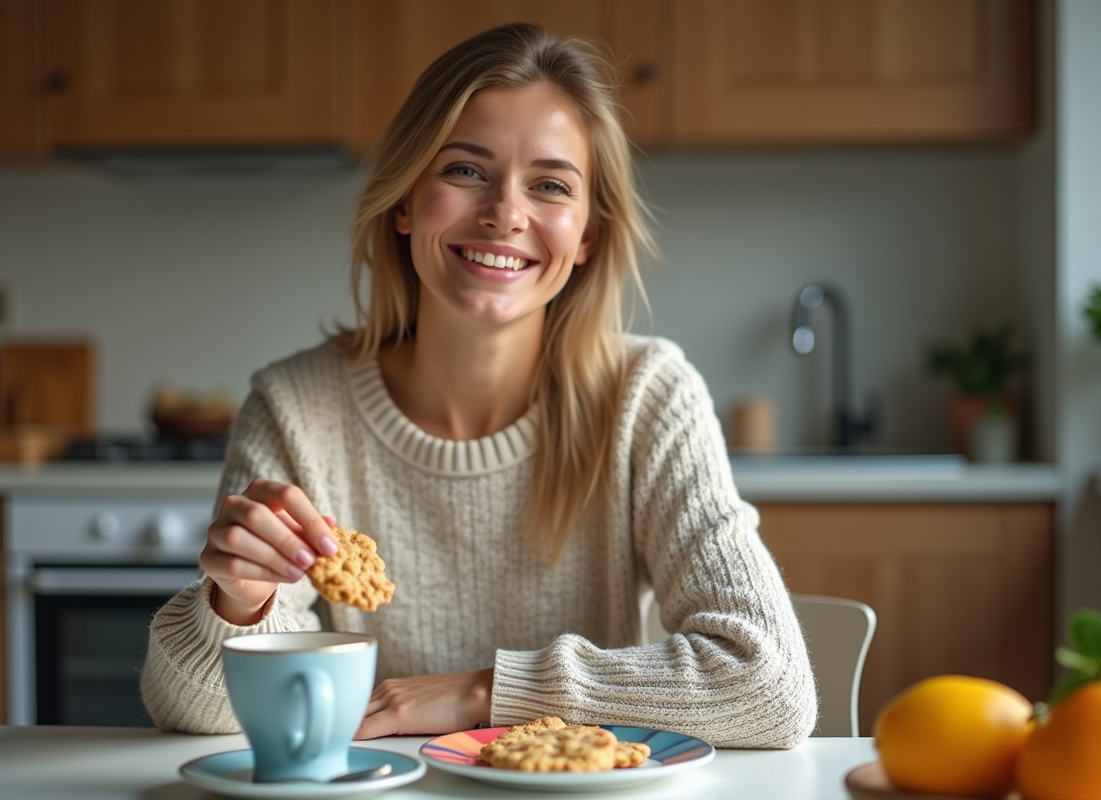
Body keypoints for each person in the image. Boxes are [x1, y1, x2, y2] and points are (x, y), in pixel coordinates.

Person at [140, 21, 817, 749]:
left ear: (587, 235)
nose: (505, 213)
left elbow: (769, 686)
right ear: (405, 200)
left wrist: (481, 693)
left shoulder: (647, 397)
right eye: (465, 171)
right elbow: (195, 713)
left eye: (551, 185)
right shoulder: (297, 407)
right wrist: (239, 603)